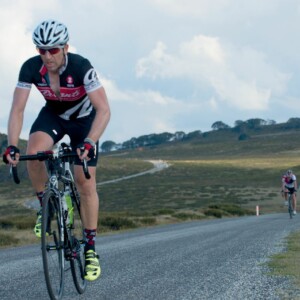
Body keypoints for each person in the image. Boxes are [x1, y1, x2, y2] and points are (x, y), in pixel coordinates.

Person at [2, 20, 110, 281]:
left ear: (65, 47)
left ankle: (91, 250)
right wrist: (12, 145)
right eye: (41, 50)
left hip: (84, 121)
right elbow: (18, 109)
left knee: (85, 182)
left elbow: (104, 110)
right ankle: (47, 207)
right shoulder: (30, 68)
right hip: (53, 115)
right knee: (35, 154)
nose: (47, 56)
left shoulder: (82, 67)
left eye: (52, 50)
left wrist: (89, 141)